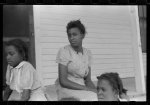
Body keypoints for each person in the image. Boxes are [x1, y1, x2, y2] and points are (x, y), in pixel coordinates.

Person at [55, 20, 98, 101]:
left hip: (82, 86)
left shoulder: (87, 53)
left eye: (74, 34)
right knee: (92, 98)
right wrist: (87, 89)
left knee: (99, 96)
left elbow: (88, 80)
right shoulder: (64, 51)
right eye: (69, 35)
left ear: (82, 35)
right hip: (67, 88)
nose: (71, 38)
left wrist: (95, 90)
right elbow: (63, 81)